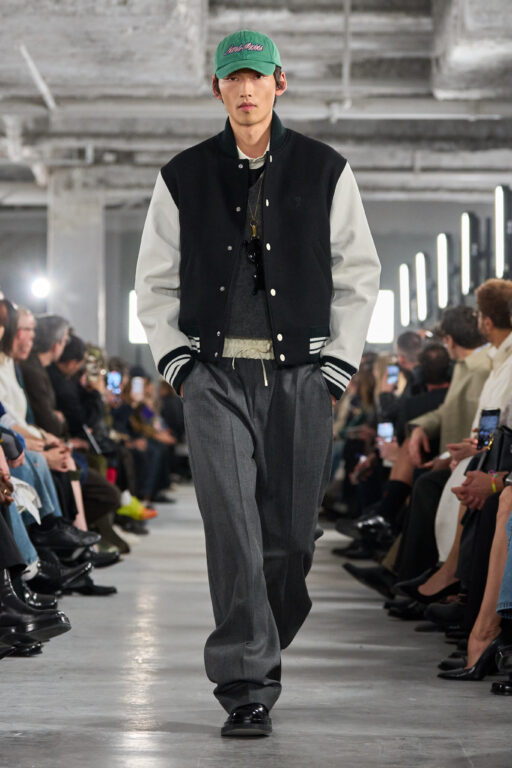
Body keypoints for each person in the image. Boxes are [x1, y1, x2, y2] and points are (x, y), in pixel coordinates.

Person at [135, 29, 380, 737]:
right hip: (212, 377)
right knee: (234, 532)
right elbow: (153, 281)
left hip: (303, 379)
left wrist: (337, 366)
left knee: (291, 540)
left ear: (280, 82)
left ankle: (261, 636)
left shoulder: (326, 169)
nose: (246, 90)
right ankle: (246, 683)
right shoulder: (182, 175)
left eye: (257, 76)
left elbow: (359, 273)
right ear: (217, 88)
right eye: (233, 79)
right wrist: (179, 365)